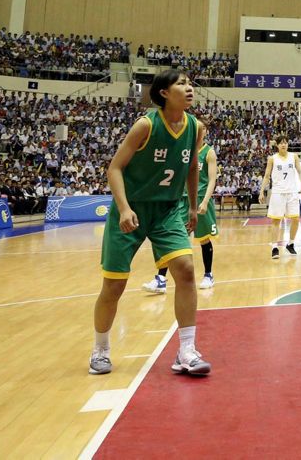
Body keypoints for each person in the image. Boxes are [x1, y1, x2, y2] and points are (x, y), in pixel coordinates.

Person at [90, 70, 209, 376]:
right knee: (114, 285)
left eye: (190, 83)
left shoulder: (196, 127)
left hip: (168, 209)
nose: (189, 88)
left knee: (185, 269)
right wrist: (125, 208)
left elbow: (193, 166)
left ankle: (186, 351)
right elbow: (114, 168)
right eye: (181, 83)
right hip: (131, 210)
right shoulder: (145, 125)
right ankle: (101, 348)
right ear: (164, 93)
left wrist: (194, 206)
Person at [143, 139, 220, 293]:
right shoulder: (184, 150)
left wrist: (205, 201)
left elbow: (212, 179)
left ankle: (208, 275)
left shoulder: (208, 152)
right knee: (171, 237)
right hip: (182, 199)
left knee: (204, 239)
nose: (199, 132)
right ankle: (160, 279)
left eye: (202, 129)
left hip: (200, 198)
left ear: (204, 132)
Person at [261, 136, 301, 259]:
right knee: (276, 221)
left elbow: (300, 172)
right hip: (278, 193)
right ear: (277, 146)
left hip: (292, 192)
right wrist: (261, 191)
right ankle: (274, 247)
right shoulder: (272, 159)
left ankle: (290, 244)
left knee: (295, 219)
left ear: (288, 145)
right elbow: (267, 176)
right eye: (281, 143)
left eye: (285, 143)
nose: (283, 145)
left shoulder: (294, 156)